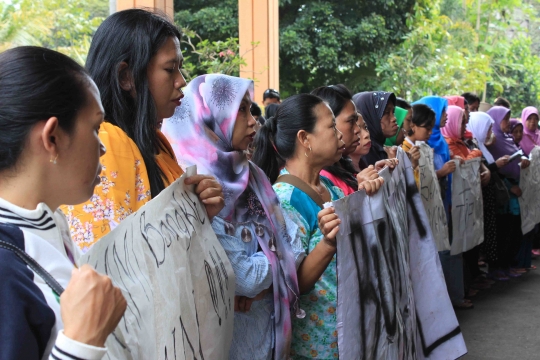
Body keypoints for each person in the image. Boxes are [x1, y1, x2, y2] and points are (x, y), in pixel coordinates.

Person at [0, 46, 127, 359]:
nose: (101, 149)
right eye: (95, 128)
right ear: (52, 137)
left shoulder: (47, 224)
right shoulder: (5, 266)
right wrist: (81, 344)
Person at [61, 9, 224, 251]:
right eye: (170, 69)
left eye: (180, 68)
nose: (181, 81)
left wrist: (201, 214)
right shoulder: (108, 143)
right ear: (126, 77)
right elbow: (116, 259)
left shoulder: (156, 141)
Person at [162, 74, 300, 360]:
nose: (253, 121)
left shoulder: (253, 175)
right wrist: (280, 258)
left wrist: (269, 274)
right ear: (209, 118)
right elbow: (249, 277)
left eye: (250, 110)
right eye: (241, 110)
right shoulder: (197, 188)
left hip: (269, 338)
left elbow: (294, 246)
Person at [252, 94, 383, 359]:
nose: (341, 136)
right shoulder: (286, 199)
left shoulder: (330, 188)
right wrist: (328, 243)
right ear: (304, 139)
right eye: (332, 127)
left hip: (345, 333)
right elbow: (292, 283)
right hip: (317, 343)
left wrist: (367, 195)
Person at [413, 96, 471, 309]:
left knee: (448, 250)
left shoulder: (438, 143)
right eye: (443, 112)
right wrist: (441, 172)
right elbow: (423, 178)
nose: (445, 116)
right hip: (427, 209)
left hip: (443, 204)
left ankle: (450, 298)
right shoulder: (413, 149)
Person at [312, 85, 391, 196]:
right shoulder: (323, 179)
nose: (358, 130)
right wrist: (361, 194)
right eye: (351, 121)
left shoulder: (345, 168)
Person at [485, 106, 531, 280]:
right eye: (504, 119)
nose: (506, 122)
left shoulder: (506, 139)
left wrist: (524, 160)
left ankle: (507, 265)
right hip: (502, 190)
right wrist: (508, 185)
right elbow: (492, 167)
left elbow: (519, 155)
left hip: (514, 189)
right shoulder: (493, 141)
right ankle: (497, 267)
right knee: (501, 230)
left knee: (512, 229)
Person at [353, 91, 398, 168]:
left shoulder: (382, 149)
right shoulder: (365, 153)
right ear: (370, 116)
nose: (394, 118)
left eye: (393, 112)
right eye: (386, 113)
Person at [402, 104, 436, 187]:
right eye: (428, 128)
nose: (430, 132)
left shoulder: (420, 146)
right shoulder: (404, 149)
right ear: (413, 125)